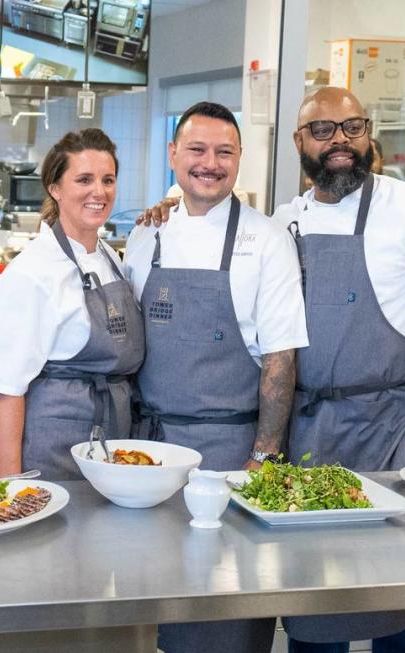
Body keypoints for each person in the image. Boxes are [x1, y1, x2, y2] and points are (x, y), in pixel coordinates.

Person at [272, 87, 405, 653]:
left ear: (368, 136)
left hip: (391, 430)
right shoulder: (285, 219)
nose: (340, 140)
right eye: (324, 129)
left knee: (395, 602)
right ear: (299, 143)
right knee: (313, 598)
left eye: (353, 127)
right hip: (309, 435)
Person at [124, 101, 307, 653]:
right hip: (149, 456)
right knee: (150, 601)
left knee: (222, 613)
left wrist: (264, 459)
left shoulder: (266, 239)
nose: (210, 163)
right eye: (197, 150)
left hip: (228, 456)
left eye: (224, 152)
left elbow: (280, 358)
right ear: (173, 155)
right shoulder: (145, 236)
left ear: (239, 160)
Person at [0, 128, 144, 479]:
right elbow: (7, 391)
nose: (99, 192)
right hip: (52, 450)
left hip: (111, 444)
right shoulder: (32, 272)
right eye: (84, 179)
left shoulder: (111, 260)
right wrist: (11, 485)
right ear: (55, 188)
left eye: (108, 180)